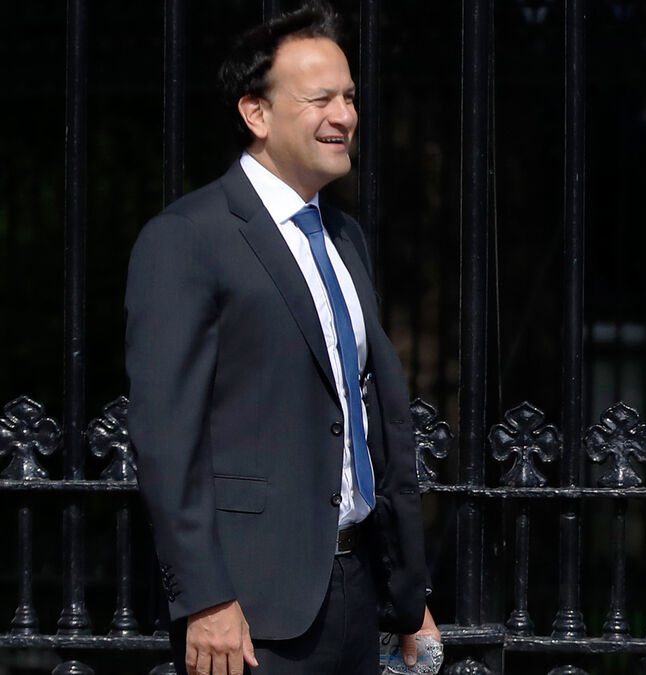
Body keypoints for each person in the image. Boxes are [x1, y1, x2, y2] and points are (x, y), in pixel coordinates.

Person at [125, 3, 439, 674]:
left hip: (359, 596)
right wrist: (206, 597)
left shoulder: (346, 238)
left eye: (349, 97)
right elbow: (165, 437)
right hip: (248, 616)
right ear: (256, 114)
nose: (344, 115)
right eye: (321, 99)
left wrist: (406, 596)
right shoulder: (187, 238)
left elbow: (363, 419)